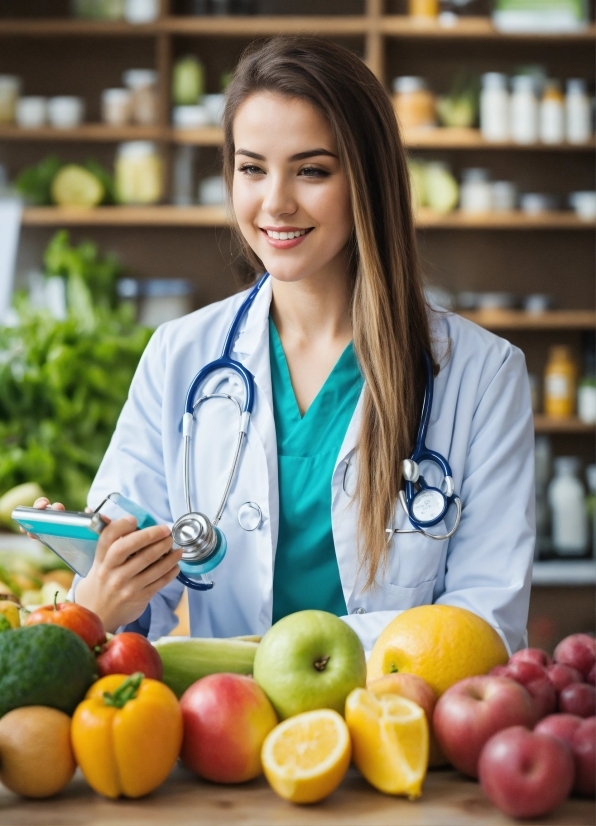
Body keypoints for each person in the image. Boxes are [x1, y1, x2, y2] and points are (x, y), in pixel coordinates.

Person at [38, 37, 534, 654]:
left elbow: (486, 623)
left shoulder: (482, 376)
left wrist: (274, 654)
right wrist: (102, 598)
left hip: (400, 733)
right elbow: (133, 612)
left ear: (367, 181)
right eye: (252, 168)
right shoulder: (180, 357)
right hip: (228, 737)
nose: (275, 202)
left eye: (311, 170)